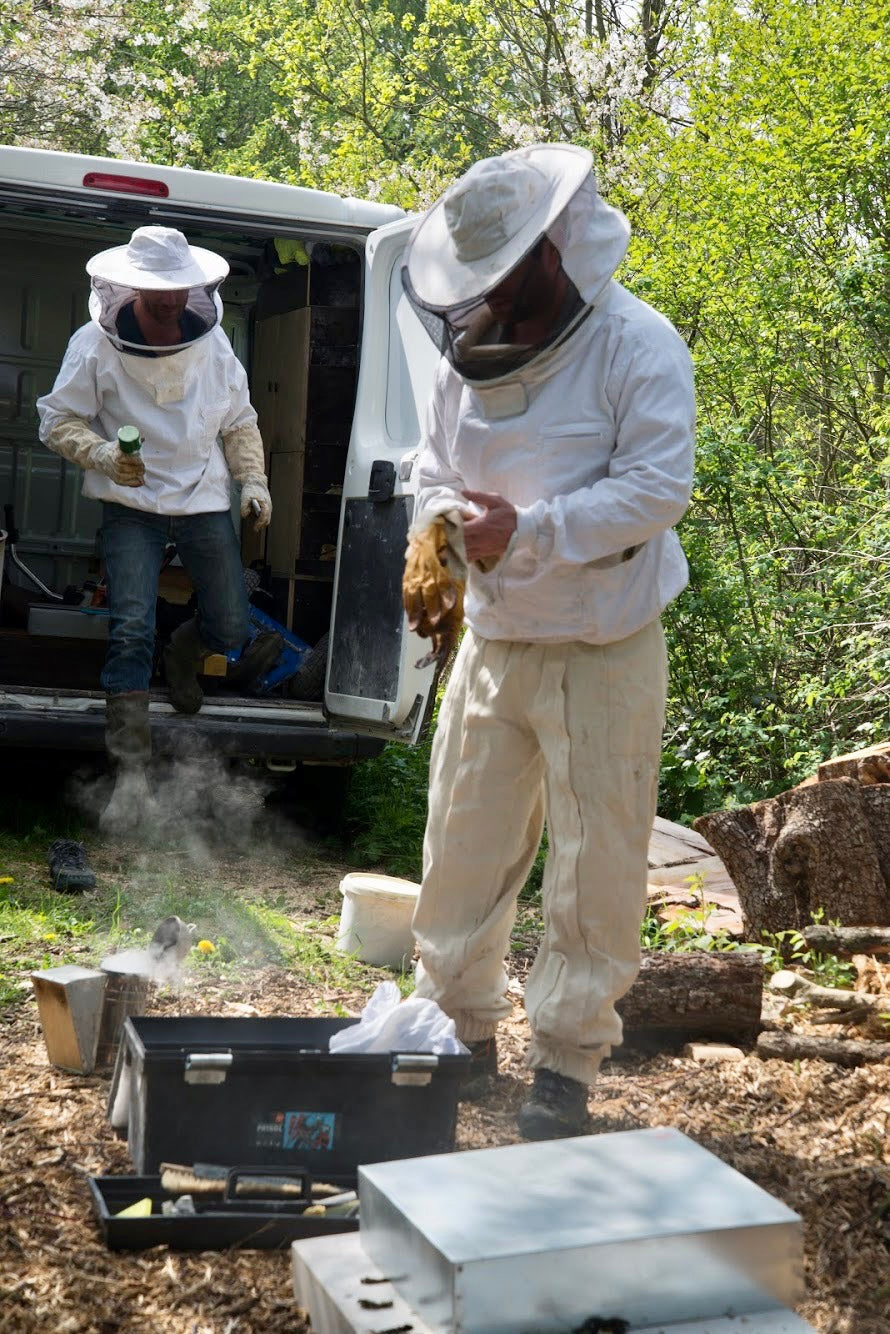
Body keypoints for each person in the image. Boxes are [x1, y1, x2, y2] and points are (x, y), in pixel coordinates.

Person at [401, 144, 696, 1140]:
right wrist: (438, 528)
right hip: (494, 641)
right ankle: (457, 1031)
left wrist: (529, 529)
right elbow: (429, 464)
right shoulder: (466, 355)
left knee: (593, 859)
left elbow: (659, 488)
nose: (485, 293)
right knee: (461, 843)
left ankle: (564, 1066)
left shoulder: (636, 343)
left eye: (501, 272)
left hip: (599, 642)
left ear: (549, 248)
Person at [36, 226, 271, 832]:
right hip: (129, 501)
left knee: (232, 625)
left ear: (196, 286)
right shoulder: (93, 344)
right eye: (156, 290)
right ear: (129, 285)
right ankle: (132, 777)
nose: (170, 302)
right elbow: (57, 420)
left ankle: (185, 650)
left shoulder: (214, 344)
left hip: (203, 496)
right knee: (130, 625)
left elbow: (240, 421)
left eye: (179, 289)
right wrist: (105, 456)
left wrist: (254, 482)